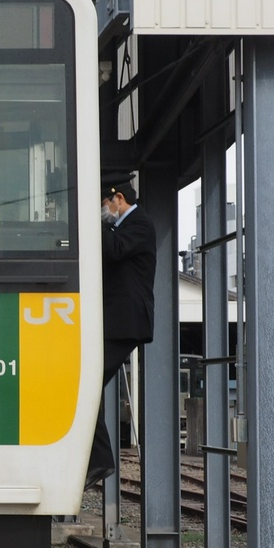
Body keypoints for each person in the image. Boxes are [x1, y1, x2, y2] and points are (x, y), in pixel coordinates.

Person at [86, 171, 157, 488]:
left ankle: (100, 460)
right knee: (89, 383)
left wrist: (90, 219)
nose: (103, 209)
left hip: (124, 321)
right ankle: (98, 460)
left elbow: (113, 250)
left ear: (118, 198)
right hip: (115, 321)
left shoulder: (139, 223)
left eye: (104, 203)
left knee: (88, 383)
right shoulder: (125, 226)